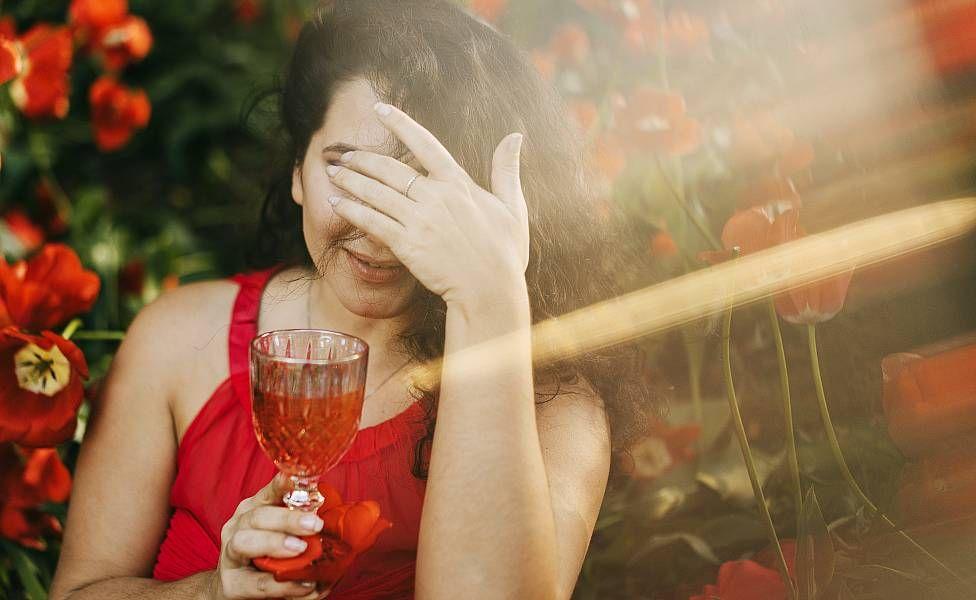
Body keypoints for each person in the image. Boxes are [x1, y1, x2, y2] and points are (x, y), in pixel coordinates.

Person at [49, 1, 655, 598]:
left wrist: (489, 295)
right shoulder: (177, 340)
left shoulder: (553, 403)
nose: (373, 226)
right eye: (346, 171)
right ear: (297, 172)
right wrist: (213, 592)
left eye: (414, 186)